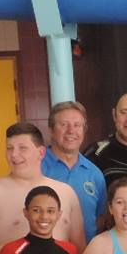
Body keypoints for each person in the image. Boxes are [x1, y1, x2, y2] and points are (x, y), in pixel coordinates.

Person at [0, 122, 84, 252]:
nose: (14, 154)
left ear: (41, 152)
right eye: (9, 148)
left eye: (22, 148)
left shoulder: (67, 192)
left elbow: (80, 249)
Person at [40, 101, 107, 245]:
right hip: (45, 253)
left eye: (77, 125)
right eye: (64, 124)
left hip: (85, 253)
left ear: (84, 130)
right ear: (51, 130)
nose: (71, 131)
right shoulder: (36, 167)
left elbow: (100, 218)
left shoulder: (94, 174)